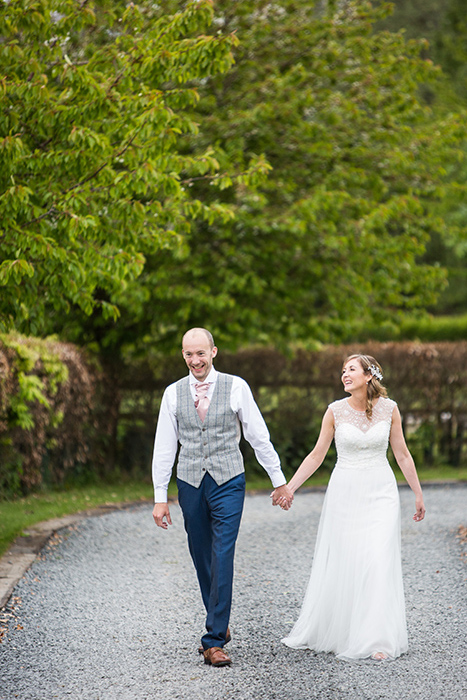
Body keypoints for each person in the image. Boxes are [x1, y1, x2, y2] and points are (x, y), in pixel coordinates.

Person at [152, 327, 293, 667]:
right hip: (189, 482)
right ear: (183, 355)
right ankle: (219, 619)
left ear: (213, 352)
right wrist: (160, 496)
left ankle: (212, 641)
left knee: (223, 553)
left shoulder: (236, 386)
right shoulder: (173, 394)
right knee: (200, 553)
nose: (195, 360)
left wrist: (279, 481)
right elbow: (164, 446)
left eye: (201, 353)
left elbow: (258, 436)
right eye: (189, 354)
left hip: (229, 480)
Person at [274, 354, 425, 661]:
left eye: (351, 370)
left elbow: (403, 455)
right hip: (345, 492)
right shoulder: (334, 412)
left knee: (378, 559)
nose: (345, 375)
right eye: (343, 370)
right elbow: (316, 456)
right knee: (349, 561)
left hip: (381, 491)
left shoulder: (390, 409)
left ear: (369, 376)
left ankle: (377, 639)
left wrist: (418, 493)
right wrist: (290, 487)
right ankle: (344, 631)